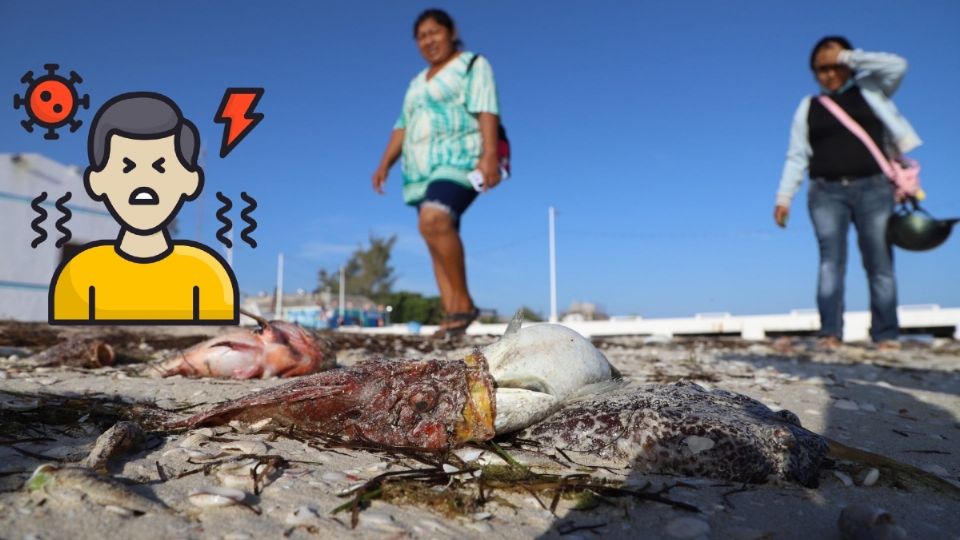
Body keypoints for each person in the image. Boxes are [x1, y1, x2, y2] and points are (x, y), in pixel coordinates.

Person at [774, 37, 921, 349]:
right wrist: (784, 197)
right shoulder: (808, 107)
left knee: (879, 262)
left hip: (874, 188)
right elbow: (797, 155)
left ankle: (885, 334)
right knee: (831, 262)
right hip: (825, 193)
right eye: (820, 69)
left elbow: (899, 65)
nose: (828, 74)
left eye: (833, 65)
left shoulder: (871, 91)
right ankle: (829, 332)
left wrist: (848, 56)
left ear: (847, 63)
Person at [50, 92, 238, 324]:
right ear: (97, 181)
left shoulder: (208, 276)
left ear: (190, 181)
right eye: (127, 166)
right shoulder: (78, 275)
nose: (144, 182)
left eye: (160, 166)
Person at [372, 9, 501, 337]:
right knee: (432, 235)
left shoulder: (471, 64)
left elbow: (487, 108)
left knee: (435, 219)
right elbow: (401, 125)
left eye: (434, 32)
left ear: (451, 31)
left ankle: (463, 305)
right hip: (419, 169)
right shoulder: (416, 82)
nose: (428, 40)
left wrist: (489, 156)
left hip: (460, 158)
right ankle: (452, 315)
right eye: (421, 36)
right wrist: (384, 164)